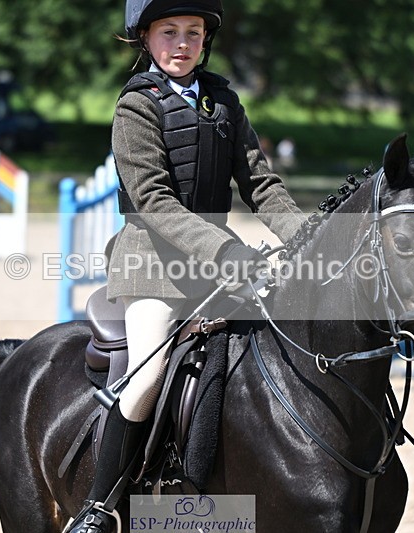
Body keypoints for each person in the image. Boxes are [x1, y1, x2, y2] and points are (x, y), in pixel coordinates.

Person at [66, 1, 307, 531]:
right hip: (151, 265)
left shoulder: (223, 100)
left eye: (193, 32)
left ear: (206, 39)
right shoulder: (136, 108)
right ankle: (99, 507)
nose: (182, 43)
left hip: (219, 267)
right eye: (169, 32)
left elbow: (261, 184)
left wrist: (311, 238)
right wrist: (227, 252)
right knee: (149, 375)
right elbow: (153, 200)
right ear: (145, 39)